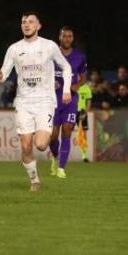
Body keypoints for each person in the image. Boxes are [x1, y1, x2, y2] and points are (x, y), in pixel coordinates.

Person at [0, 11, 72, 192]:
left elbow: (66, 67)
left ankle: (48, 150)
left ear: (38, 26)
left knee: (41, 144)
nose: (26, 24)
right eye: (23, 22)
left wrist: (66, 90)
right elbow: (4, 72)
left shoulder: (49, 46)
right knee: (26, 144)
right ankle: (34, 180)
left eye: (30, 22)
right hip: (23, 102)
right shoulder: (14, 49)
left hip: (45, 101)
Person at [48, 26, 87, 179]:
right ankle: (54, 157)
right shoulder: (51, 55)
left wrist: (76, 86)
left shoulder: (79, 57)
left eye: (70, 36)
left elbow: (83, 76)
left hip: (70, 99)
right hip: (53, 99)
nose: (67, 39)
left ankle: (61, 168)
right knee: (52, 136)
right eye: (64, 36)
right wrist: (50, 82)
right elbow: (41, 72)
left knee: (67, 130)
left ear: (73, 38)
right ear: (60, 37)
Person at [76, 81, 93, 162]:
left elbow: (89, 102)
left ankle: (84, 156)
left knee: (83, 134)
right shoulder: (72, 85)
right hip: (72, 111)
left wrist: (85, 113)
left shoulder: (86, 88)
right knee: (66, 131)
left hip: (81, 112)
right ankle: (62, 153)